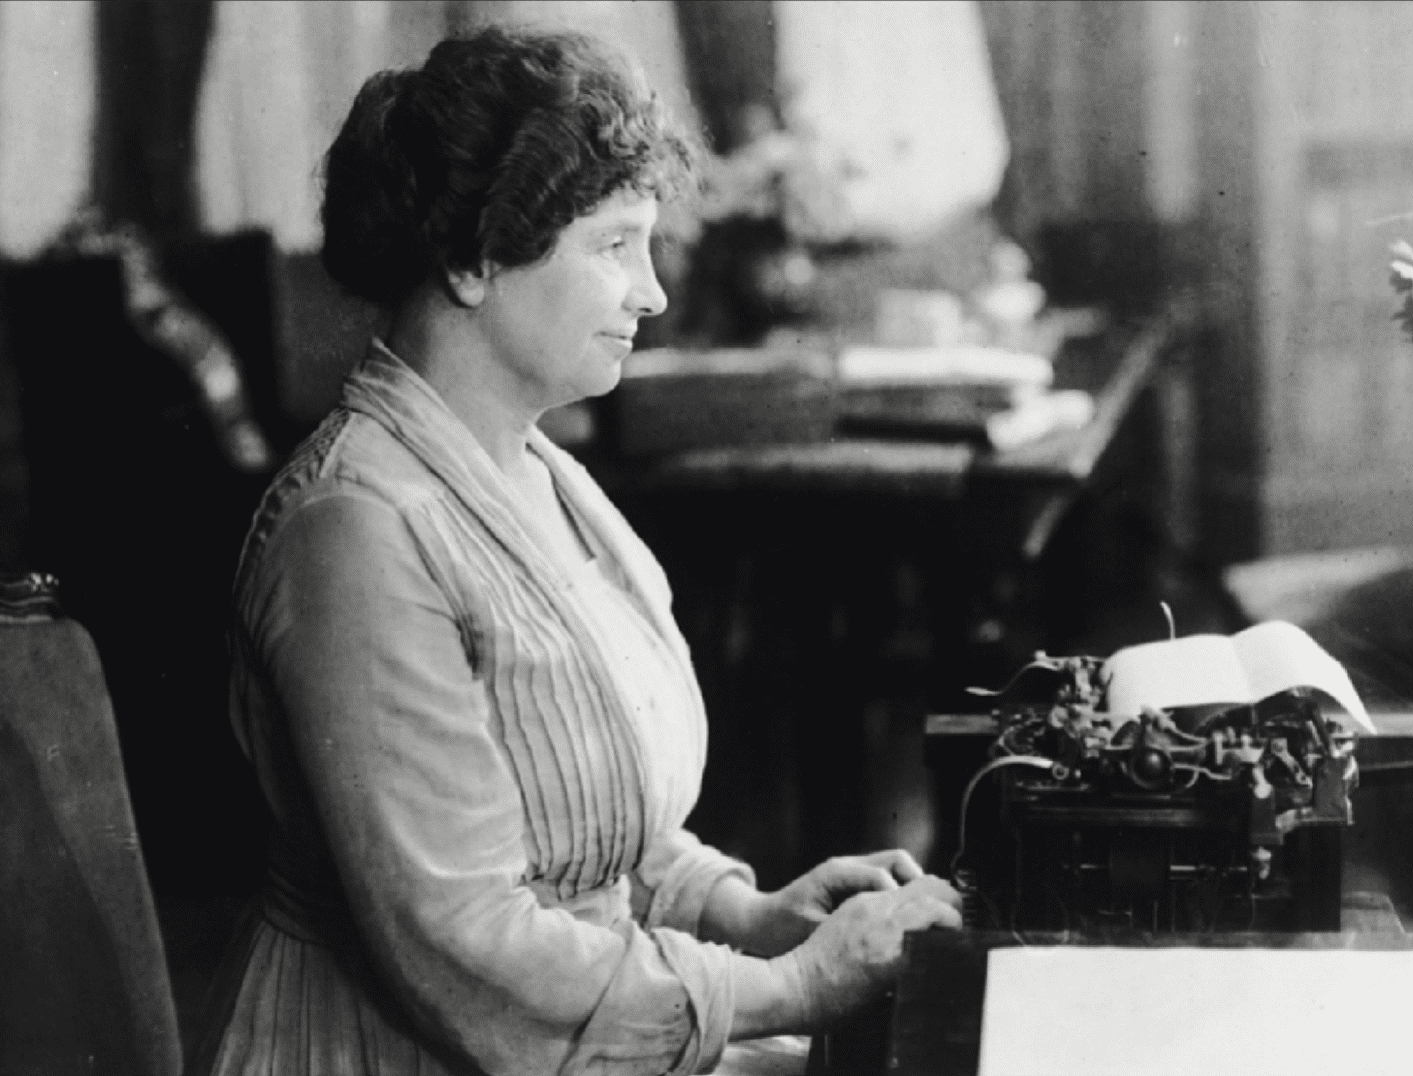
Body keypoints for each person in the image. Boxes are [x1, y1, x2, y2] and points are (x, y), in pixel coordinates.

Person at [195, 26, 962, 1076]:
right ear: (471, 260)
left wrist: (750, 910)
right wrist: (793, 985)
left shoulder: (540, 473)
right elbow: (462, 941)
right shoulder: (355, 528)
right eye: (614, 246)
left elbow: (591, 827)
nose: (650, 291)